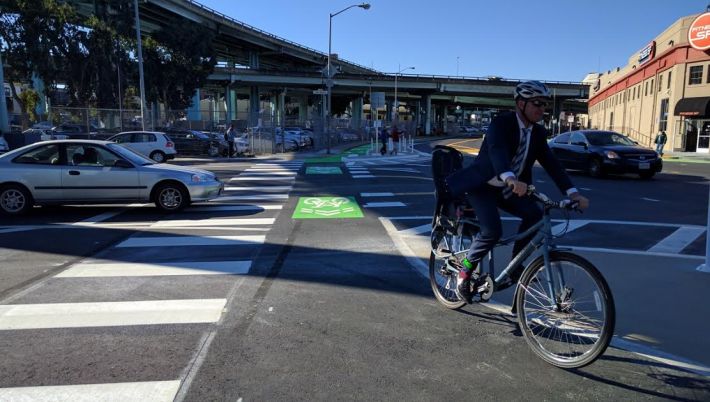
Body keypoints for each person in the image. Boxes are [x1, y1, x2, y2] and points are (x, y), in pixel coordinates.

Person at [449, 80, 590, 303]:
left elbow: (552, 164)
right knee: (491, 231)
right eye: (537, 103)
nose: (542, 109)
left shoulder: (538, 132)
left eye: (545, 105)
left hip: (511, 187)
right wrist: (510, 177)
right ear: (521, 104)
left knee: (535, 215)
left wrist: (572, 193)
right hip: (484, 185)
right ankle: (464, 272)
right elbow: (497, 151)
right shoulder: (501, 123)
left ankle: (516, 265)